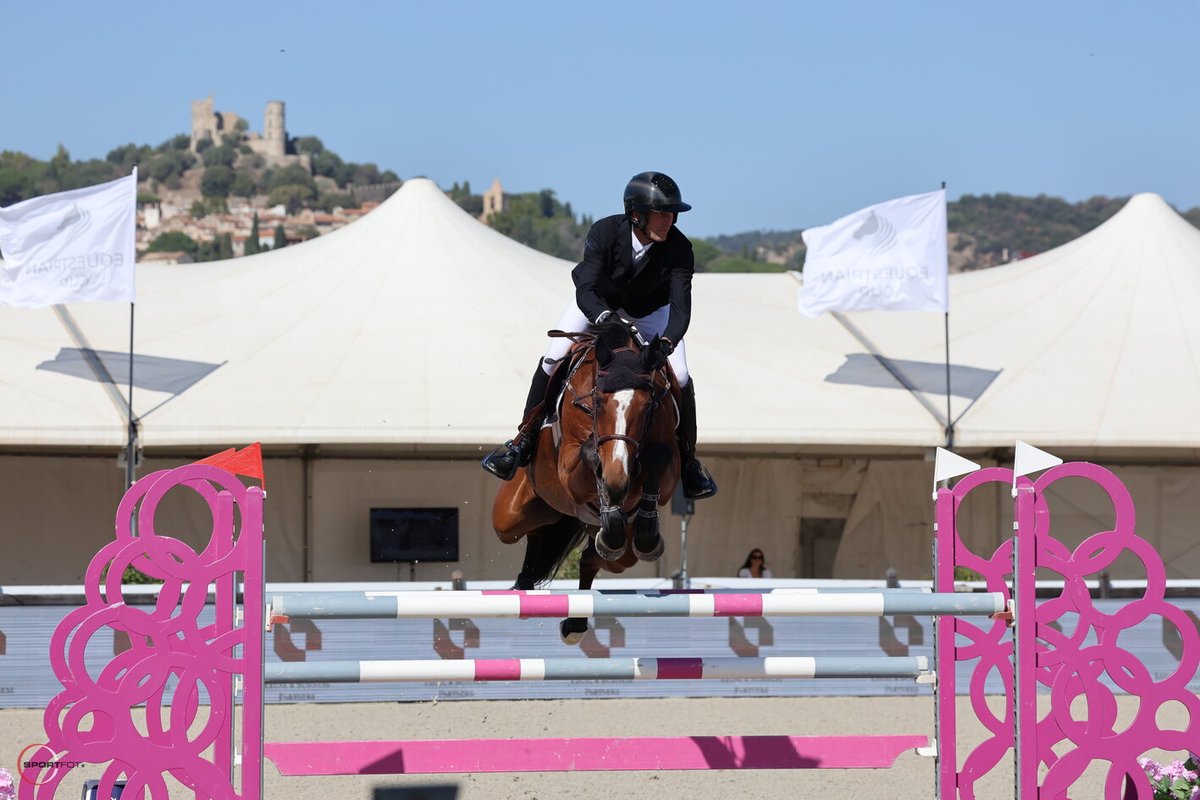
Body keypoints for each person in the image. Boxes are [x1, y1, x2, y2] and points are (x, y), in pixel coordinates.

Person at [481, 171, 718, 500]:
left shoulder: (680, 248)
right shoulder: (605, 232)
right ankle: (523, 439)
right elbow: (587, 287)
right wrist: (604, 317)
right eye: (662, 213)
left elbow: (680, 310)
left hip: (651, 313)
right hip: (597, 304)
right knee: (553, 358)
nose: (669, 220)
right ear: (636, 214)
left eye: (672, 214)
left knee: (680, 373)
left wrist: (666, 342)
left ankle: (689, 461)